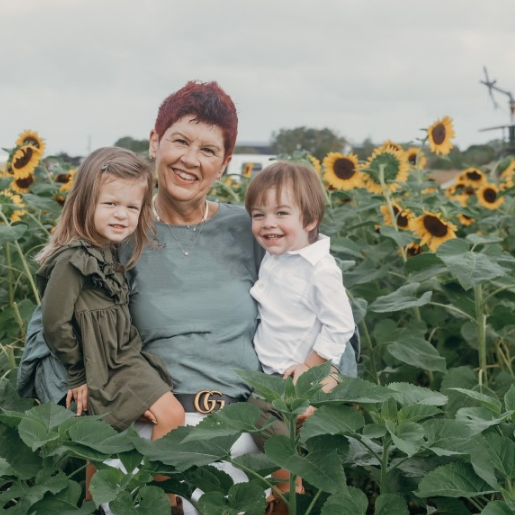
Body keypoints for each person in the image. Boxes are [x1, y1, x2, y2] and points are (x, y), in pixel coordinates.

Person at [18, 81, 357, 514]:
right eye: (180, 141)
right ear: (155, 143)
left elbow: (331, 318)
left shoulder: (256, 230)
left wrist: (322, 382)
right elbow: (46, 337)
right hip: (145, 438)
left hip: (248, 437)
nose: (190, 159)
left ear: (225, 163)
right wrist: (99, 408)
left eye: (208, 150)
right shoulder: (116, 228)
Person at [34, 146, 185, 441]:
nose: (121, 215)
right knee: (170, 416)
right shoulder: (73, 259)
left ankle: (126, 474)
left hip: (121, 358)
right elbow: (54, 323)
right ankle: (159, 474)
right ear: (85, 202)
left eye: (132, 207)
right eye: (110, 203)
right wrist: (78, 372)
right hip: (102, 365)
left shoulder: (109, 252)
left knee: (104, 441)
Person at [244, 161, 356, 512]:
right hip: (273, 373)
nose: (268, 223)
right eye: (259, 215)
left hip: (297, 377)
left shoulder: (319, 269)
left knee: (268, 429)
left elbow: (341, 325)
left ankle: (289, 493)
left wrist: (312, 367)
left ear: (310, 220)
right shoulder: (278, 255)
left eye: (281, 213)